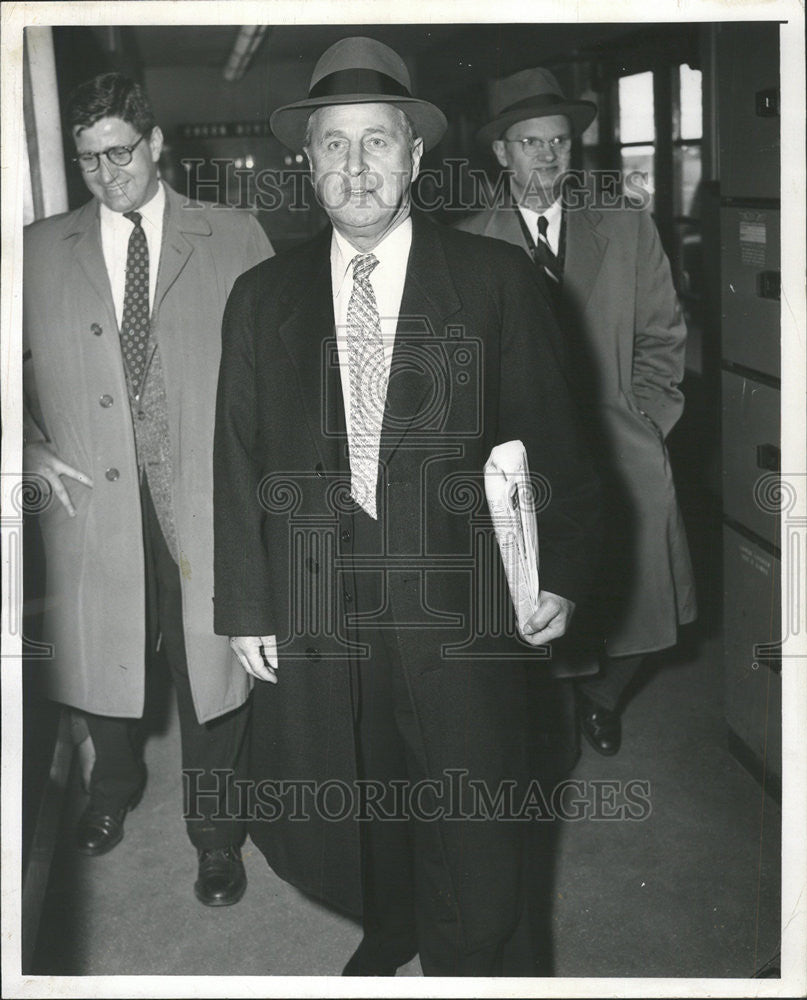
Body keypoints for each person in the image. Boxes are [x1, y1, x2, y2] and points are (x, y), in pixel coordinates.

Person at [213, 37, 601, 976]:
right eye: (334, 146)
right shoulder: (261, 298)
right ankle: (395, 925)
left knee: (475, 814)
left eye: (377, 142)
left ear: (416, 157)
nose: (355, 168)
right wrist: (247, 606)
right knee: (359, 790)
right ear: (307, 163)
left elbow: (558, 445)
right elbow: (235, 458)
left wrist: (565, 577)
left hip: (461, 610)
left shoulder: (493, 281)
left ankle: (479, 961)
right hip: (324, 612)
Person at [23, 72, 273, 905]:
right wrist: (17, 444)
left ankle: (215, 835)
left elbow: (280, 373)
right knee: (104, 662)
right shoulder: (32, 250)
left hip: (203, 502)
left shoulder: (234, 234)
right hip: (92, 504)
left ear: (157, 143)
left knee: (214, 671)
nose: (105, 175)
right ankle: (110, 790)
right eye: (87, 160)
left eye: (121, 153)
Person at [457, 68, 697, 755]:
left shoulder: (624, 225)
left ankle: (603, 696)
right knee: (538, 603)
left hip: (619, 447)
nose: (549, 156)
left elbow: (662, 338)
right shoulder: (469, 242)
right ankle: (557, 707)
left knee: (641, 609)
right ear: (501, 152)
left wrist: (644, 425)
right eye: (530, 142)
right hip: (522, 463)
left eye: (559, 141)